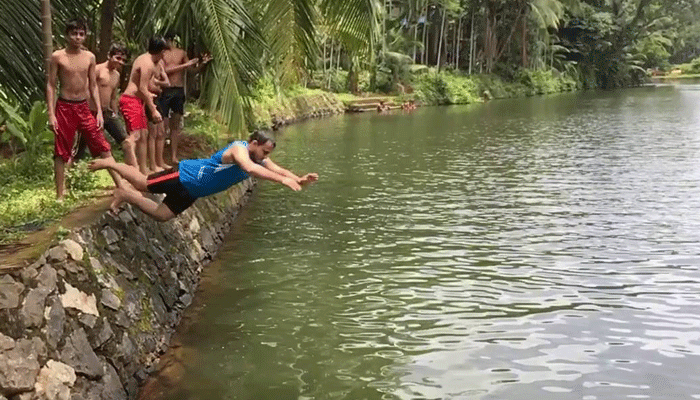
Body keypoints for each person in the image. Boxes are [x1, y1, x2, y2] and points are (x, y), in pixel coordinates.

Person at [88, 130, 318, 222]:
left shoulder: (257, 158)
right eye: (265, 152)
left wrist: (297, 178)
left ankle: (124, 195)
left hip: (193, 191)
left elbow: (276, 169)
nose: (266, 157)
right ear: (254, 143)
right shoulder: (239, 150)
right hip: (185, 175)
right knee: (141, 182)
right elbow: (249, 168)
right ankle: (111, 163)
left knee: (161, 215)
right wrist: (283, 181)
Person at [46, 18, 121, 199]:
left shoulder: (89, 57)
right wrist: (51, 114)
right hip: (64, 107)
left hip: (84, 107)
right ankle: (60, 194)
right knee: (61, 151)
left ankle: (120, 184)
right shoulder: (58, 56)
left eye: (81, 34)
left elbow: (93, 85)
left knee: (102, 145)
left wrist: (99, 112)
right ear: (67, 35)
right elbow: (51, 85)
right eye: (74, 34)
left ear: (85, 36)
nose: (78, 37)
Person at [119, 37, 168, 174]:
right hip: (130, 100)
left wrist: (149, 98)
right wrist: (153, 110)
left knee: (144, 134)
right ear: (162, 51)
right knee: (135, 136)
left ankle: (142, 170)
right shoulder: (147, 63)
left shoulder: (146, 59)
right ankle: (132, 167)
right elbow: (142, 88)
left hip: (137, 100)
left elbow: (143, 88)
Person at [74, 43, 131, 163]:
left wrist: (115, 113)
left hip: (106, 112)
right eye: (118, 58)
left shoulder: (116, 75)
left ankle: (131, 168)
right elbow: (86, 89)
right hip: (90, 112)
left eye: (123, 60)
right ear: (109, 56)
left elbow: (113, 97)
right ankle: (72, 169)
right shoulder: (98, 70)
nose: (120, 62)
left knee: (126, 141)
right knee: (80, 148)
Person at [161, 32, 212, 164]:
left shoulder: (181, 53)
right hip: (165, 90)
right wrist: (185, 65)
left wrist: (202, 63)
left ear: (172, 40)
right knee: (163, 124)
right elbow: (164, 71)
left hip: (178, 90)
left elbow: (191, 71)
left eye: (168, 40)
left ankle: (173, 156)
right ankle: (160, 156)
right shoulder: (162, 54)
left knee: (175, 124)